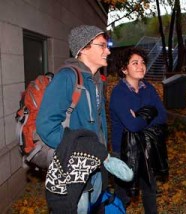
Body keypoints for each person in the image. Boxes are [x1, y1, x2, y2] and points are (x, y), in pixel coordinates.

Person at [36, 25, 111, 213]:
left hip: (94, 165)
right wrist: (78, 148)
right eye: (102, 45)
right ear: (84, 48)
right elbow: (46, 126)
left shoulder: (95, 81)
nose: (108, 51)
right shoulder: (67, 78)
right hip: (72, 169)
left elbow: (98, 125)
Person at [109, 47, 167, 214]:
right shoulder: (119, 93)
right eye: (135, 63)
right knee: (123, 195)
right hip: (125, 152)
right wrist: (149, 114)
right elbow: (131, 126)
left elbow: (162, 116)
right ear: (124, 68)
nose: (141, 66)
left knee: (149, 191)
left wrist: (141, 117)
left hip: (147, 149)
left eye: (142, 62)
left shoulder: (148, 88)